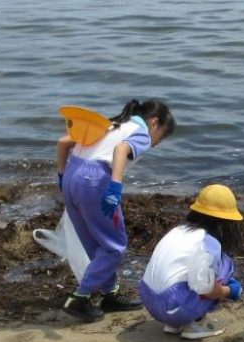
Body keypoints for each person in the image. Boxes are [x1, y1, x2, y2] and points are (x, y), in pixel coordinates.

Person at [55, 99, 177, 322]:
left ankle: (109, 294)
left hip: (73, 176)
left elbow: (64, 142)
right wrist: (115, 186)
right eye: (161, 136)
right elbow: (121, 150)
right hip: (95, 182)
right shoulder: (140, 132)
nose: (157, 144)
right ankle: (79, 298)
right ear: (154, 122)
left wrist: (63, 177)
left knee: (96, 245)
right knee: (114, 247)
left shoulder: (112, 124)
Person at [138, 184, 244, 339]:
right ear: (225, 222)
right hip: (173, 307)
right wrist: (230, 291)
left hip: (148, 298)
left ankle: (174, 325)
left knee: (196, 275)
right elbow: (205, 289)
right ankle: (194, 323)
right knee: (226, 265)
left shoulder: (177, 230)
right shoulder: (209, 243)